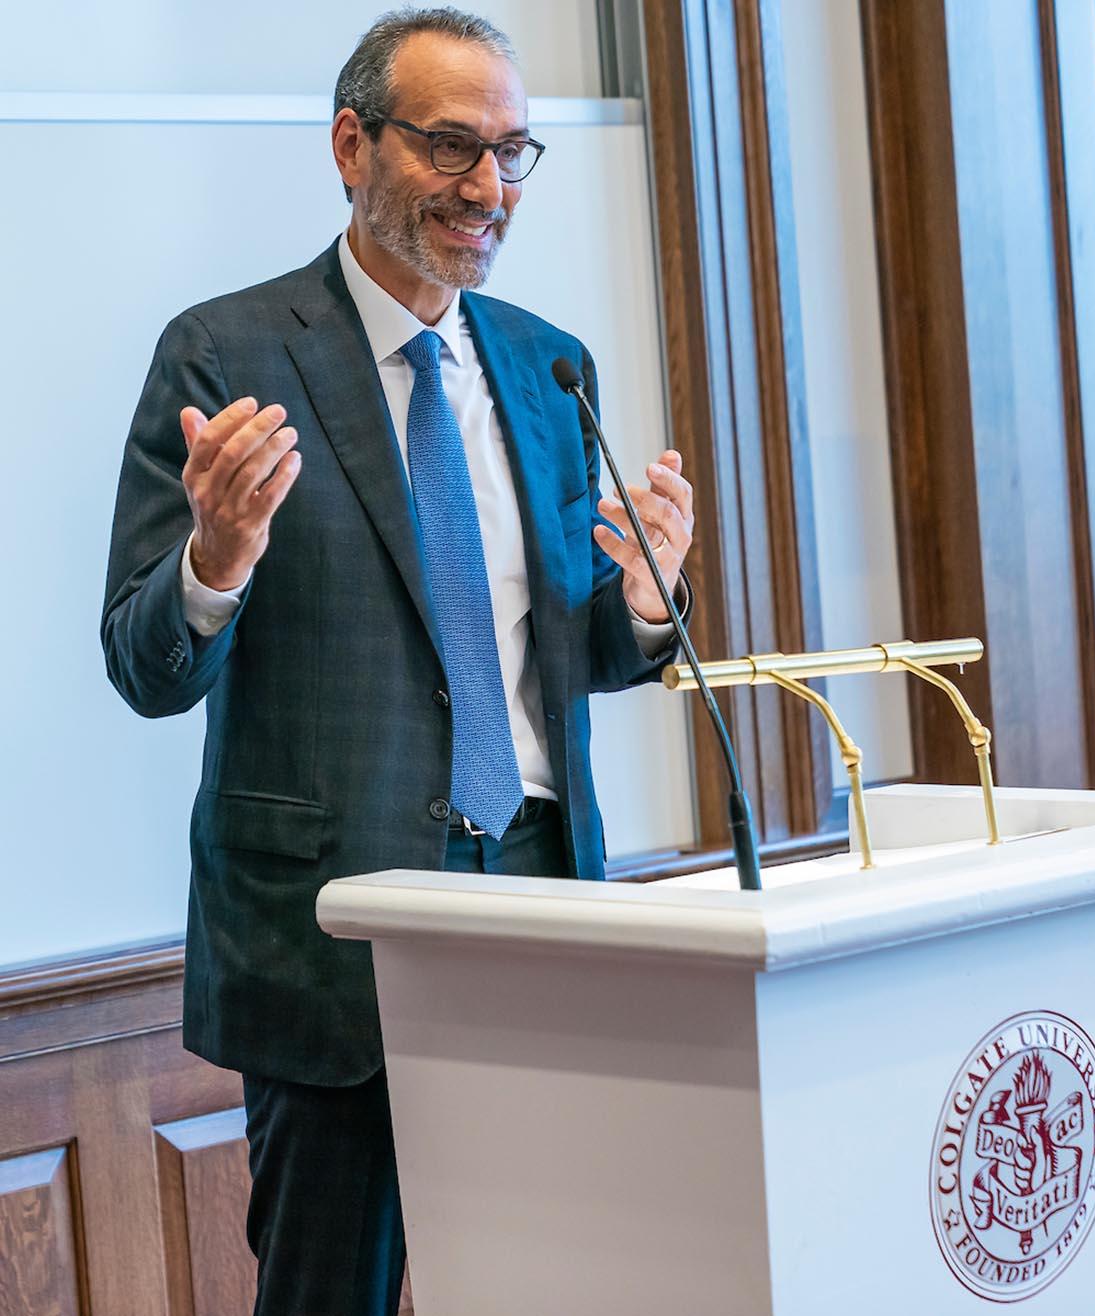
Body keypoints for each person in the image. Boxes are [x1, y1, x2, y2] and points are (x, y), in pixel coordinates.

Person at [101, 6, 694, 1314]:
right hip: (335, 926)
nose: (488, 187)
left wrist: (645, 603)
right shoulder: (226, 355)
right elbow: (146, 666)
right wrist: (215, 559)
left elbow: (563, 653)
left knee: (552, 1285)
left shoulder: (548, 366)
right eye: (451, 145)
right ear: (351, 145)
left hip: (542, 901)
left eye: (513, 152)